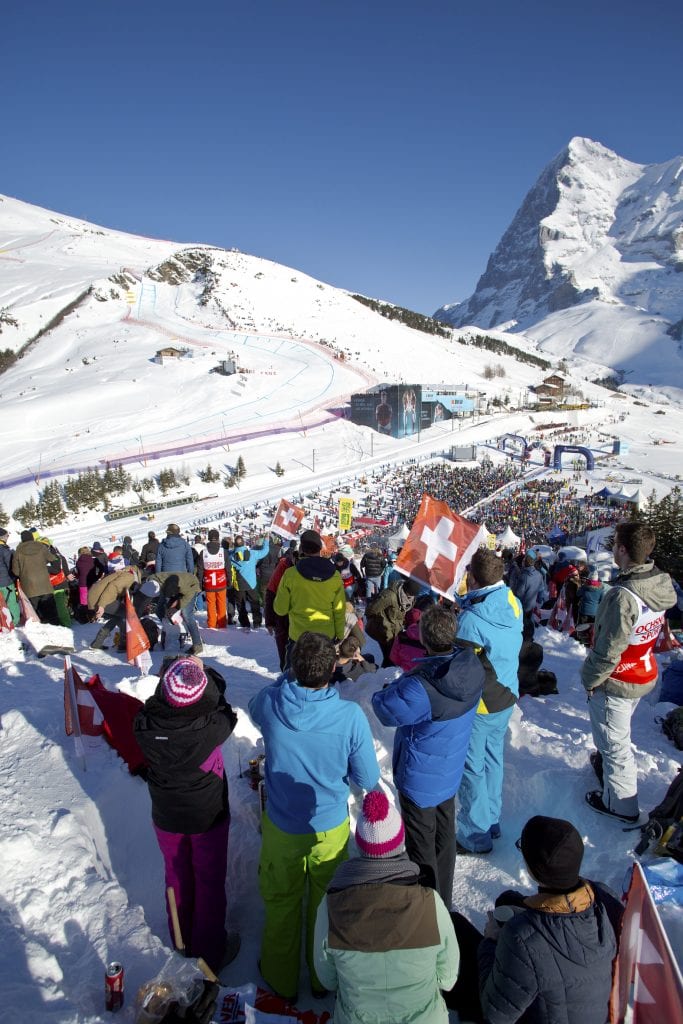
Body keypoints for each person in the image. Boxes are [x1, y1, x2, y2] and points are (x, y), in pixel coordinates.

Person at [248, 631, 380, 1002]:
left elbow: (254, 704)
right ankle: (323, 979)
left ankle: (280, 979)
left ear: (292, 667)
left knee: (281, 900)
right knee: (326, 903)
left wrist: (287, 678)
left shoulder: (273, 702)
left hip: (282, 825)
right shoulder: (349, 716)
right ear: (332, 671)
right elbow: (367, 778)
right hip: (330, 827)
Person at [446, 815, 623, 1024]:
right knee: (507, 900)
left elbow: (495, 1014)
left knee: (455, 926)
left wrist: (491, 941)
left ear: (533, 870)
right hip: (589, 1008)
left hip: (534, 1014)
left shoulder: (522, 938)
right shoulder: (603, 896)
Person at [314, 790, 459, 1024]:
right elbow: (448, 978)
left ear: (360, 846)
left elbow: (327, 979)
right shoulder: (430, 903)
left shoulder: (330, 906)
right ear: (401, 843)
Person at [372, 604, 484, 904]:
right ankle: (443, 896)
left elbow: (385, 708)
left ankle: (429, 908)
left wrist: (395, 684)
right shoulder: (471, 666)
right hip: (449, 771)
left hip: (419, 778)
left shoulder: (421, 686)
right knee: (444, 835)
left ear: (423, 638)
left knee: (422, 847)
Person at [134, 656, 240, 974]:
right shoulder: (213, 727)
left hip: (166, 813)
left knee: (176, 875)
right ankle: (209, 951)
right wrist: (202, 671)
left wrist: (176, 675)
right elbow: (222, 699)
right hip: (207, 816)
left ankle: (180, 941)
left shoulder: (144, 725)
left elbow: (154, 703)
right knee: (208, 880)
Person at [582, 521, 676, 822]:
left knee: (615, 745)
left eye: (615, 544)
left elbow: (609, 650)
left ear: (622, 549)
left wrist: (590, 679)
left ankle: (621, 807)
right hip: (642, 669)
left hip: (619, 680)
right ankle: (610, 775)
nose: (611, 549)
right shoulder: (659, 580)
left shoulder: (623, 595)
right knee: (615, 736)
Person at [455, 548, 523, 853]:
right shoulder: (511, 601)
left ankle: (474, 834)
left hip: (481, 703)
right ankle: (491, 819)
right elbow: (484, 614)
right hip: (507, 694)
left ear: (473, 578)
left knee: (472, 766)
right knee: (494, 758)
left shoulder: (470, 622)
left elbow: (461, 670)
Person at [273, 530, 346, 662]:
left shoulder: (290, 574)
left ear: (302, 549)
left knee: (295, 676)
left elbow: (280, 609)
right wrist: (340, 634)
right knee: (321, 677)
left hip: (299, 637)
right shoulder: (334, 575)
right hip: (325, 637)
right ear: (320, 548)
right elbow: (339, 610)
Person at [364, 575, 422, 667]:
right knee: (389, 658)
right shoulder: (390, 596)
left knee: (390, 657)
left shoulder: (410, 599)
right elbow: (371, 610)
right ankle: (380, 676)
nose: (411, 597)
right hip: (383, 631)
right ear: (407, 590)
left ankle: (384, 673)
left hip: (394, 632)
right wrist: (382, 622)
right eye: (410, 595)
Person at [11, 530, 61, 625]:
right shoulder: (41, 547)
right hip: (45, 585)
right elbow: (54, 560)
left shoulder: (18, 551)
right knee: (51, 613)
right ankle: (56, 630)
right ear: (32, 537)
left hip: (29, 587)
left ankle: (42, 634)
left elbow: (15, 571)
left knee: (36, 615)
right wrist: (46, 568)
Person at [151, 571, 204, 656]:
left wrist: (176, 605)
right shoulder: (159, 580)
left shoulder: (186, 588)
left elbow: (185, 599)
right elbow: (151, 579)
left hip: (191, 586)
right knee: (160, 610)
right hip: (170, 587)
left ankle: (197, 645)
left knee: (187, 614)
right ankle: (167, 633)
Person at [230, 533, 271, 629]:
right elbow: (265, 551)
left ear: (235, 545)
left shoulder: (231, 556)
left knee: (241, 604)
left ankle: (245, 623)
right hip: (251, 583)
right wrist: (266, 541)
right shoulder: (252, 553)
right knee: (255, 602)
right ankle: (257, 622)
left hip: (238, 584)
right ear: (244, 543)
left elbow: (226, 554)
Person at [198, 529, 231, 629]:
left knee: (211, 604)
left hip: (209, 583)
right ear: (217, 538)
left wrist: (200, 584)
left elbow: (200, 571)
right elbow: (228, 568)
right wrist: (229, 580)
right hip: (221, 582)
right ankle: (222, 624)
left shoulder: (203, 553)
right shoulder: (223, 552)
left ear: (209, 538)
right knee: (222, 603)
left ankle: (212, 624)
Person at [511, 552, 544, 641]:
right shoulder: (539, 574)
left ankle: (525, 640)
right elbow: (541, 590)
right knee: (530, 622)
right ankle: (529, 637)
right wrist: (540, 601)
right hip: (532, 603)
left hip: (523, 605)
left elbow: (519, 594)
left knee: (523, 624)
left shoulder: (524, 576)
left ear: (525, 563)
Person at [0, 528, 19, 626]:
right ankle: (13, 624)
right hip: (6, 583)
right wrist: (15, 577)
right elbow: (11, 567)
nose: (7, 538)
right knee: (11, 605)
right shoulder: (4, 550)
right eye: (7, 536)